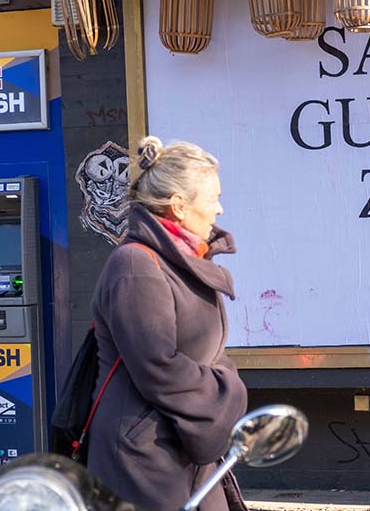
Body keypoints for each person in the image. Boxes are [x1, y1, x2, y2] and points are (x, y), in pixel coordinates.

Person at [86, 136, 249, 511]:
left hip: (183, 446)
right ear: (178, 205)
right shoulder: (136, 266)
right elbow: (158, 366)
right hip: (144, 461)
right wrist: (229, 394)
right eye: (212, 199)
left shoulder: (180, 260)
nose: (220, 209)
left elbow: (206, 352)